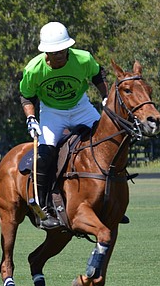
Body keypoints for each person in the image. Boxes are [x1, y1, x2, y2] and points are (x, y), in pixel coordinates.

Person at [19, 21, 109, 229]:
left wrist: (105, 96)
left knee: (107, 143)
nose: (59, 55)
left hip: (81, 107)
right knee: (44, 156)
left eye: (62, 50)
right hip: (52, 113)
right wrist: (31, 118)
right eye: (54, 52)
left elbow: (98, 74)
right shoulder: (34, 69)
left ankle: (110, 200)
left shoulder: (83, 58)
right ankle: (43, 209)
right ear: (45, 52)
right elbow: (26, 96)